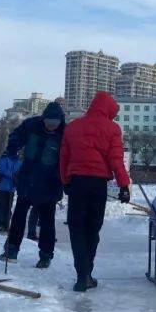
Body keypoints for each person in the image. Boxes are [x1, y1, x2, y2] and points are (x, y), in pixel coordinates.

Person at [60, 91, 131, 292]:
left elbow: (64, 157)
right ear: (108, 110)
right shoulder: (112, 129)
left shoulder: (73, 127)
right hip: (98, 184)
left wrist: (65, 180)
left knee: (76, 228)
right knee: (92, 229)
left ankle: (81, 274)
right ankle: (87, 273)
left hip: (77, 182)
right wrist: (124, 185)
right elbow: (115, 160)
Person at [0, 103, 66, 268]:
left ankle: (45, 255)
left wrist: (61, 178)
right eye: (48, 123)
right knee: (19, 216)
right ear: (43, 119)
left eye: (54, 124)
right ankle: (12, 249)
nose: (51, 127)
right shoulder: (31, 125)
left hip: (50, 182)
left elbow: (69, 157)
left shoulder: (66, 132)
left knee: (47, 222)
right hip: (28, 179)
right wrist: (12, 148)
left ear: (60, 122)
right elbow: (16, 136)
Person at [0, 154, 20, 232]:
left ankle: (6, 224)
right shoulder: (3, 159)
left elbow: (20, 172)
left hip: (11, 188)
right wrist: (13, 175)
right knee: (0, 207)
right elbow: (1, 170)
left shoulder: (19, 162)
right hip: (1, 187)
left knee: (8, 207)